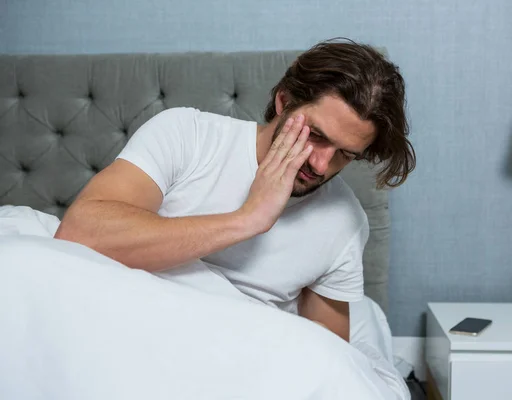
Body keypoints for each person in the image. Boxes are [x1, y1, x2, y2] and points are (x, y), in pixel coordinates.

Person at [54, 38, 415, 342]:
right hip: (131, 331)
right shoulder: (187, 135)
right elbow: (80, 230)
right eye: (316, 135)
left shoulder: (343, 222)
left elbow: (327, 358)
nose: (321, 165)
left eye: (344, 155)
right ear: (284, 102)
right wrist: (247, 219)